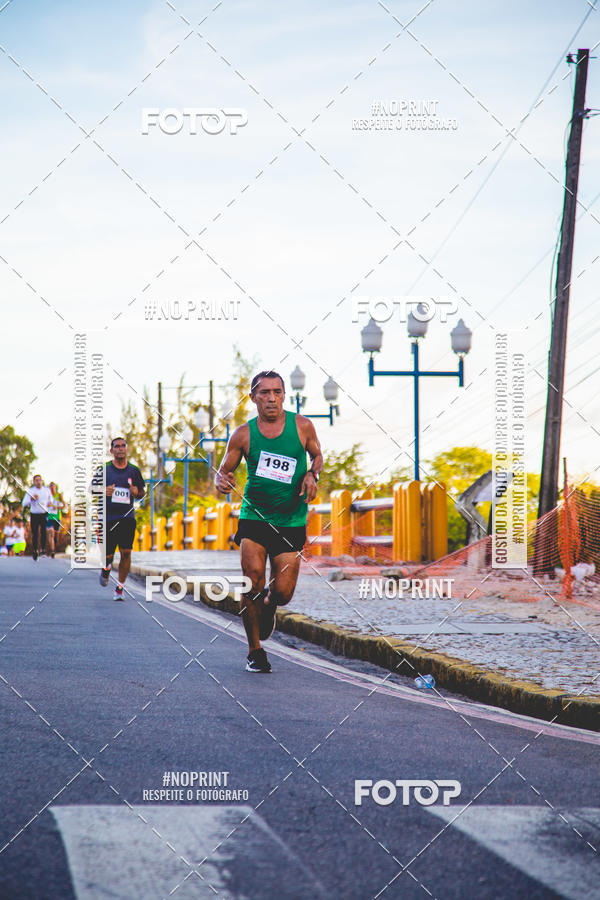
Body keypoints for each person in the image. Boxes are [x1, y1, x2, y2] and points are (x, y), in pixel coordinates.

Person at [216, 370, 322, 673]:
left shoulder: (302, 426)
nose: (271, 398)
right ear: (253, 398)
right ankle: (255, 651)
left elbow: (317, 456)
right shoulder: (243, 434)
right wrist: (222, 481)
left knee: (283, 593)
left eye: (277, 392)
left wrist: (312, 474)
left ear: (284, 395)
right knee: (252, 579)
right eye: (264, 392)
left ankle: (269, 604)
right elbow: (224, 470)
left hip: (291, 519)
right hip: (254, 517)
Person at [97, 437, 145, 601]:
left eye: (123, 446)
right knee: (107, 555)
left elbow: (142, 493)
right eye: (116, 446)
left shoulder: (134, 471)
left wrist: (136, 492)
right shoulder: (104, 470)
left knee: (126, 552)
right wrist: (104, 490)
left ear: (126, 449)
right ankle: (106, 568)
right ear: (111, 450)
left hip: (127, 517)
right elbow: (92, 488)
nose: (120, 449)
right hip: (107, 518)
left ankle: (120, 588)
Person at [22, 475, 52, 560]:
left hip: (43, 514)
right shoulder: (31, 491)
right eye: (36, 480)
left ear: (42, 481)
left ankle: (43, 549)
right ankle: (35, 550)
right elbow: (24, 503)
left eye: (40, 480)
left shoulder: (46, 490)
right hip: (34, 514)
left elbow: (51, 500)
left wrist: (50, 503)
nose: (38, 482)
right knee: (35, 533)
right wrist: (31, 499)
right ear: (34, 482)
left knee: (43, 532)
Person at [46, 482, 64, 558]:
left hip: (57, 517)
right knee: (51, 533)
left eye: (53, 487)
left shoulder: (59, 495)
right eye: (51, 487)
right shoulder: (47, 496)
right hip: (49, 517)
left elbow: (64, 506)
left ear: (56, 488)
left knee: (56, 535)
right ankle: (52, 550)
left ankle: (54, 544)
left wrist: (56, 507)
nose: (52, 489)